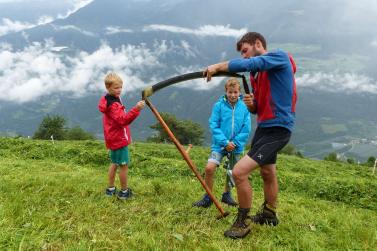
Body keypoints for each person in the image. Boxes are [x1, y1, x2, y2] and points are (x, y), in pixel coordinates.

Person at [204, 32, 297, 239]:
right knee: (267, 172)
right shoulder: (257, 75)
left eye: (245, 51)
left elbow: (250, 63)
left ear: (258, 44)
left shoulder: (279, 57)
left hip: (279, 128)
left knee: (238, 172)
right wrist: (252, 105)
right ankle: (269, 214)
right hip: (264, 127)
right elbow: (258, 108)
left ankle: (243, 221)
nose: (245, 57)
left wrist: (218, 66)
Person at [192, 78, 251, 208]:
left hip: (236, 146)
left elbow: (246, 128)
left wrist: (234, 143)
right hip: (219, 145)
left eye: (235, 92)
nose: (233, 95)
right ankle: (208, 196)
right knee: (209, 168)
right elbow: (214, 125)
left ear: (239, 92)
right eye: (230, 92)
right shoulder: (218, 105)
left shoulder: (245, 106)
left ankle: (227, 194)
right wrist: (225, 142)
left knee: (232, 172)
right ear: (226, 91)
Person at [98, 72, 145, 200]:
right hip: (118, 139)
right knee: (123, 166)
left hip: (112, 137)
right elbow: (123, 120)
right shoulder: (113, 104)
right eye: (116, 88)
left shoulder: (108, 99)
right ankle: (124, 192)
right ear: (108, 88)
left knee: (114, 163)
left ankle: (110, 189)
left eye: (120, 87)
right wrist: (136, 109)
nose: (119, 90)